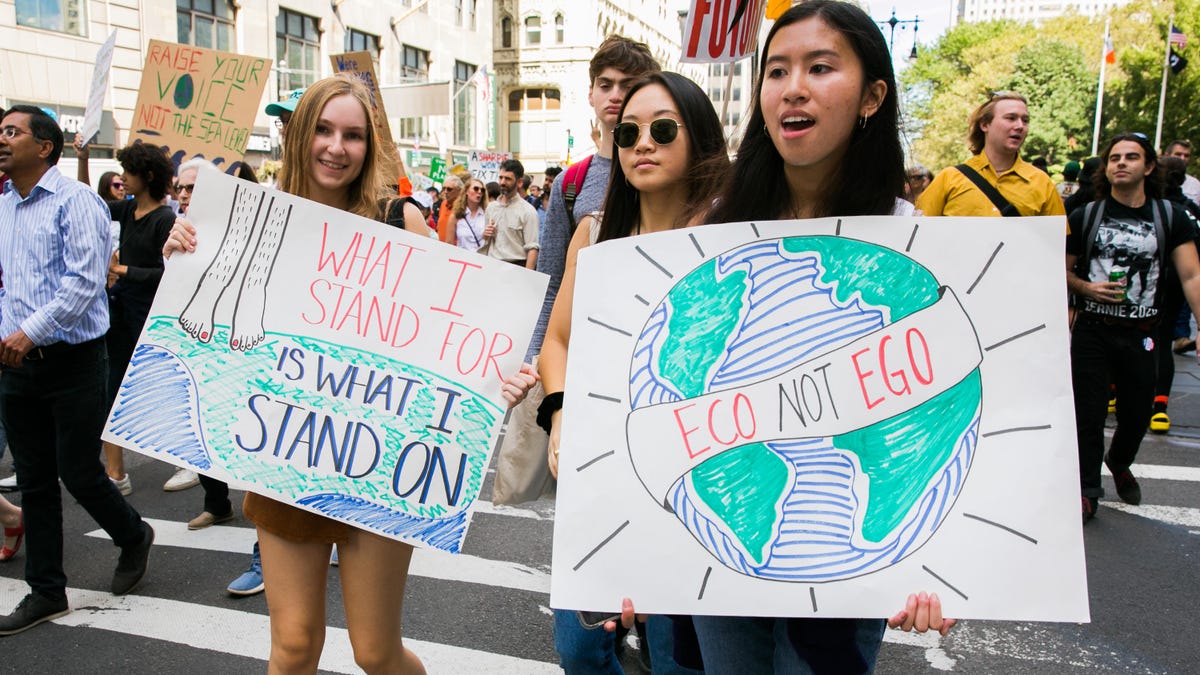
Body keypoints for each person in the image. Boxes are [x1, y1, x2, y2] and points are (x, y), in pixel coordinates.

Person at [607, 2, 952, 670]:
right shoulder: (707, 238)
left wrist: (945, 562)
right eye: (778, 70)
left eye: (820, 68)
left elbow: (948, 422)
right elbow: (647, 390)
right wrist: (625, 547)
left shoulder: (917, 249)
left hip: (847, 555)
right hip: (729, 529)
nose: (793, 87)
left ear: (873, 96)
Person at [162, 74, 538, 672]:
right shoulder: (248, 213)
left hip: (380, 463)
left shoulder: (397, 218)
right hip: (285, 452)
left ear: (370, 146)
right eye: (324, 130)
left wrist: (501, 379)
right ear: (299, 135)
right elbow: (206, 314)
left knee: (375, 652)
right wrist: (186, 251)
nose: (337, 147)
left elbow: (462, 323)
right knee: (292, 645)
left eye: (354, 135)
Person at [539, 70, 729, 675]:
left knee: (676, 656)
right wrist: (563, 414)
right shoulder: (594, 233)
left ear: (698, 139)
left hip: (699, 477)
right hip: (602, 474)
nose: (642, 143)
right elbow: (558, 340)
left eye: (663, 129)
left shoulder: (735, 233)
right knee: (580, 650)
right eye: (628, 133)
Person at [0, 105, 154, 636]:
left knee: (78, 470)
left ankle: (133, 535)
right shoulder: (4, 207)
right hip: (15, 365)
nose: (2, 139)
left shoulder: (77, 201)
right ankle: (46, 592)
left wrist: (28, 332)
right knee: (35, 481)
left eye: (12, 132)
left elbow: (84, 283)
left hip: (73, 362)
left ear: (44, 146)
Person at [1068, 132, 1200, 523]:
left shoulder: (1169, 217)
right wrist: (1084, 287)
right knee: (1088, 413)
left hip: (1143, 332)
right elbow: (1062, 270)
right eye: (1114, 158)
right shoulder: (1085, 216)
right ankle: (1088, 489)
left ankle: (1119, 459)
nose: (1120, 163)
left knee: (1138, 414)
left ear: (1149, 166)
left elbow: (1191, 274)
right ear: (1105, 169)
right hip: (1093, 328)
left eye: (1131, 157)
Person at [916, 91, 1065, 218]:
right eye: (1011, 118)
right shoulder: (949, 178)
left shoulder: (1042, 183)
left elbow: (1055, 246)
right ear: (985, 124)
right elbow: (917, 234)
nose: (1020, 126)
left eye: (1025, 120)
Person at [481, 158, 539, 268]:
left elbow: (532, 249)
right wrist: (485, 234)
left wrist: (528, 279)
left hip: (516, 268)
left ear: (519, 182)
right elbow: (486, 241)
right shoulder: (491, 207)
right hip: (492, 266)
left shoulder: (528, 211)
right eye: (501, 177)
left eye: (508, 179)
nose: (502, 182)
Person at [448, 177, 489, 251]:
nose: (479, 192)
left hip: (482, 258)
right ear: (466, 191)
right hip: (462, 259)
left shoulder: (487, 214)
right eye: (476, 189)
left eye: (482, 190)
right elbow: (449, 244)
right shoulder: (456, 216)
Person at [1163, 139, 1200, 205]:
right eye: (1178, 154)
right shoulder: (1155, 181)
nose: (1182, 158)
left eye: (1186, 156)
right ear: (1167, 155)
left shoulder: (1195, 185)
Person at [436, 174, 464, 242]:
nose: (445, 192)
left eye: (449, 189)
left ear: (459, 190)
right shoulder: (443, 204)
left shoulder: (464, 207)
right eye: (443, 188)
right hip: (440, 248)